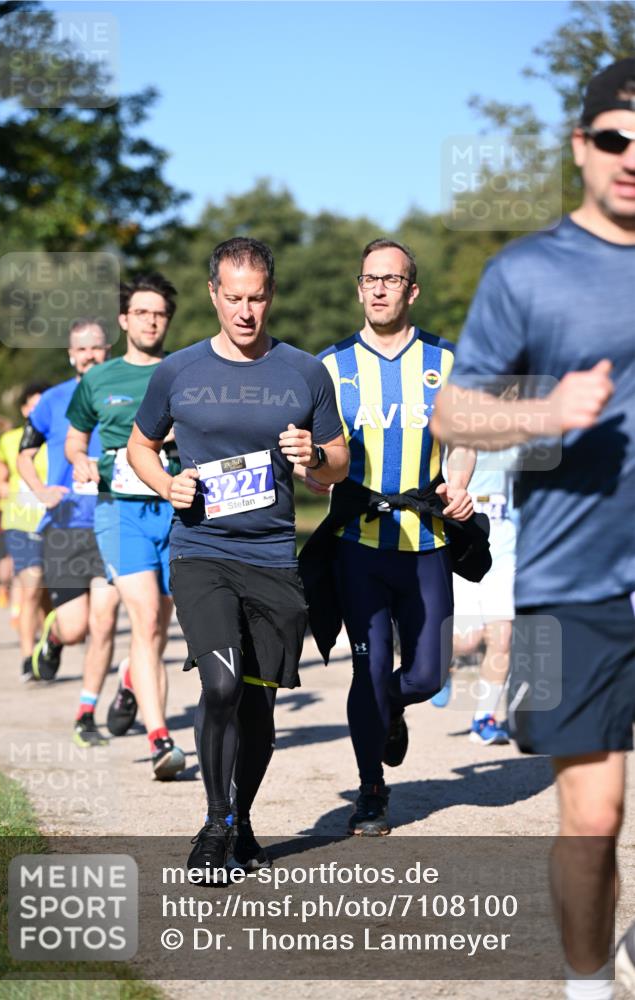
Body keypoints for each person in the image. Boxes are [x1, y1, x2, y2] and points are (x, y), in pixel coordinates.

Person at [431, 58, 635, 1000]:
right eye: (614, 139)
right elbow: (452, 412)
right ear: (580, 146)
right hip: (572, 584)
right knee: (593, 817)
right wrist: (544, 414)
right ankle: (587, 985)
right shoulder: (527, 272)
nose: (630, 159)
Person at [127, 237, 348, 874]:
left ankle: (241, 819)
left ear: (270, 295)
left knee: (257, 704)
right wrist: (166, 484)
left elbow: (337, 464)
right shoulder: (178, 371)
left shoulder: (304, 371)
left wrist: (315, 457)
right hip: (201, 549)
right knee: (220, 684)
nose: (245, 311)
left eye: (256, 298)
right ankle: (215, 822)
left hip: (273, 555)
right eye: (233, 298)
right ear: (213, 294)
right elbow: (141, 446)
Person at [300, 238, 475, 837]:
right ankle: (371, 789)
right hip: (358, 543)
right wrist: (311, 469)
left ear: (412, 290)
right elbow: (315, 453)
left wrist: (459, 483)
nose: (379, 289)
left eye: (392, 279)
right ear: (359, 288)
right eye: (370, 279)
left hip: (427, 541)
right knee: (368, 669)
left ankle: (391, 709)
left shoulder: (447, 361)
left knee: (428, 675)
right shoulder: (329, 366)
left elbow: (464, 441)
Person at [65, 273, 184, 779]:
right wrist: (80, 461)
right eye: (141, 312)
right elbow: (75, 439)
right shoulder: (99, 379)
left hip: (176, 510)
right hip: (120, 511)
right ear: (124, 319)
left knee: (157, 629)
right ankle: (161, 740)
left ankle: (133, 678)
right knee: (147, 618)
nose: (150, 321)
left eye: (159, 314)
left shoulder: (185, 371)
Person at [18, 321, 120, 748]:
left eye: (97, 347)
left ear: (108, 349)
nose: (89, 354)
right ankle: (55, 635)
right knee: (76, 628)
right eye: (82, 348)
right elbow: (25, 455)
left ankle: (86, 713)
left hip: (113, 520)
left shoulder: (124, 393)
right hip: (65, 526)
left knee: (105, 621)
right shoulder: (52, 400)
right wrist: (40, 491)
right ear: (70, 354)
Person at [432, 446, 518, 746]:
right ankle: (442, 664)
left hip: (504, 546)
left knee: (502, 636)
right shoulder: (451, 437)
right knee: (468, 640)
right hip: (462, 544)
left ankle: (484, 719)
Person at [0, 382, 50, 675]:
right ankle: (28, 658)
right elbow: (1, 471)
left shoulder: (59, 440)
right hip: (20, 522)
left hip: (54, 523)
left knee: (46, 593)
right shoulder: (10, 439)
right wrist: (1, 488)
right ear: (24, 409)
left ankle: (48, 645)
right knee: (32, 584)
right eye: (33, 405)